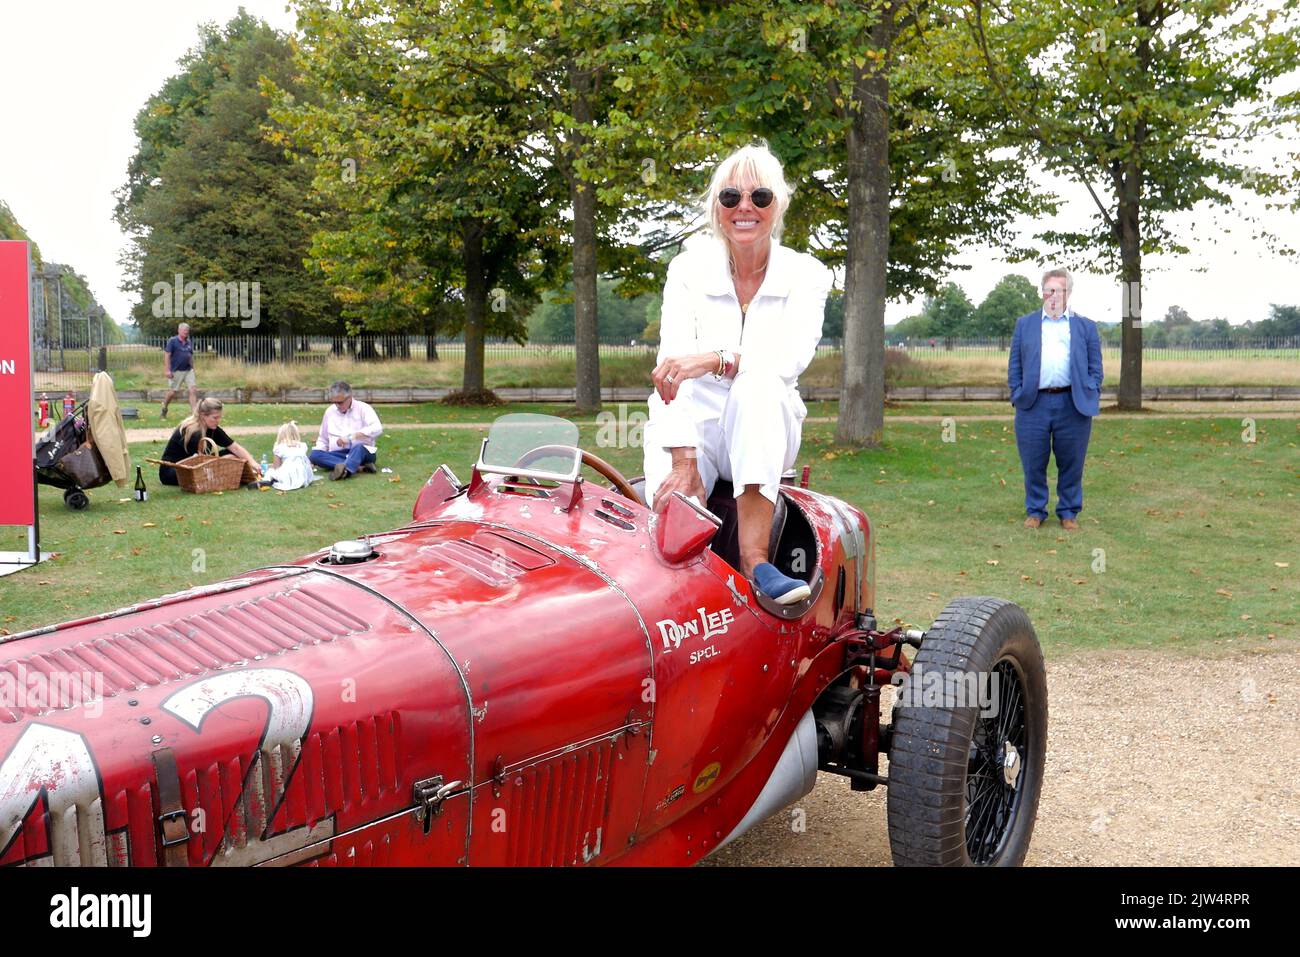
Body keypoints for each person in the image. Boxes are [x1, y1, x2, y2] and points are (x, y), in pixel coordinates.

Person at [643, 141, 833, 605]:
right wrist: (685, 460)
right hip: (695, 423)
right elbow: (671, 369)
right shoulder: (687, 269)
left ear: (777, 206)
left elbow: (788, 359)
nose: (744, 207)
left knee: (760, 384)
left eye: (759, 197)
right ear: (717, 208)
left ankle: (756, 562)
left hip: (766, 419)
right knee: (671, 527)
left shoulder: (807, 274)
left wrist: (714, 359)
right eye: (731, 197)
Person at [1007, 267, 1103, 530]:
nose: (1053, 295)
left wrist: (1091, 389)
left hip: (1072, 404)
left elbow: (1096, 367)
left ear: (1068, 293)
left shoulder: (1085, 327)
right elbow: (1015, 362)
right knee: (1033, 461)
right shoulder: (1025, 324)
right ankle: (1036, 511)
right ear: (1042, 292)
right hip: (1032, 404)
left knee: (1071, 461)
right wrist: (1016, 391)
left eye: (1059, 290)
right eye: (1049, 290)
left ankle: (1068, 512)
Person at [157, 397, 261, 486]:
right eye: (215, 417)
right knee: (229, 459)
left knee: (232, 454)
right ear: (202, 415)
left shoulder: (212, 428)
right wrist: (225, 460)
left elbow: (235, 447)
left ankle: (241, 474)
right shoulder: (192, 431)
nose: (218, 420)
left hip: (194, 465)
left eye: (220, 417)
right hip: (173, 472)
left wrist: (253, 463)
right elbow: (200, 464)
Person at [309, 381, 383, 480]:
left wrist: (351, 437)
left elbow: (377, 428)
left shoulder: (363, 408)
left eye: (340, 402)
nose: (338, 405)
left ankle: (345, 470)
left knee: (359, 448)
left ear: (350, 397)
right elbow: (323, 439)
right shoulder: (329, 412)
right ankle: (357, 468)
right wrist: (314, 459)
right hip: (338, 454)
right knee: (315, 455)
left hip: (363, 453)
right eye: (335, 402)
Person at [257, 421, 315, 491]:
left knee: (270, 471)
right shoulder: (302, 446)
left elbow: (276, 467)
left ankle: (266, 480)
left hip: (287, 476)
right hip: (303, 476)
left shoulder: (279, 447)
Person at [160, 322, 197, 419]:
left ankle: (194, 414)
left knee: (192, 390)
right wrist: (167, 370)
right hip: (176, 371)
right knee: (172, 392)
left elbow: (190, 355)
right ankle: (164, 407)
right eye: (184, 330)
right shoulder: (173, 341)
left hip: (188, 370)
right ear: (179, 330)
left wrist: (193, 368)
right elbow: (167, 355)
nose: (186, 332)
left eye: (187, 331)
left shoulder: (189, 342)